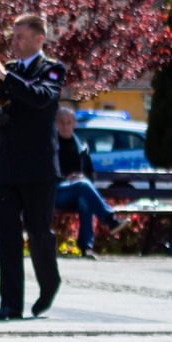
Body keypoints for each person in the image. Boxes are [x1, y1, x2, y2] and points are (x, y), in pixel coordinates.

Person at [0, 12, 66, 318]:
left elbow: (40, 98)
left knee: (38, 233)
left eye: (20, 36)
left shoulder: (52, 69)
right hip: (9, 164)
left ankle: (49, 282)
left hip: (38, 168)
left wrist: (7, 77)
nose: (14, 42)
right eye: (13, 36)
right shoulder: (7, 71)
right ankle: (10, 304)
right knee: (7, 235)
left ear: (39, 39)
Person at [53, 106, 121, 255]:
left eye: (68, 122)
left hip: (78, 191)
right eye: (62, 122)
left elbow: (90, 176)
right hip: (56, 192)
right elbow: (47, 173)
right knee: (83, 186)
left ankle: (86, 247)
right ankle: (110, 220)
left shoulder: (81, 147)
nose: (65, 126)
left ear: (74, 124)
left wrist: (80, 178)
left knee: (85, 197)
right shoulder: (51, 145)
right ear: (56, 124)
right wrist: (67, 178)